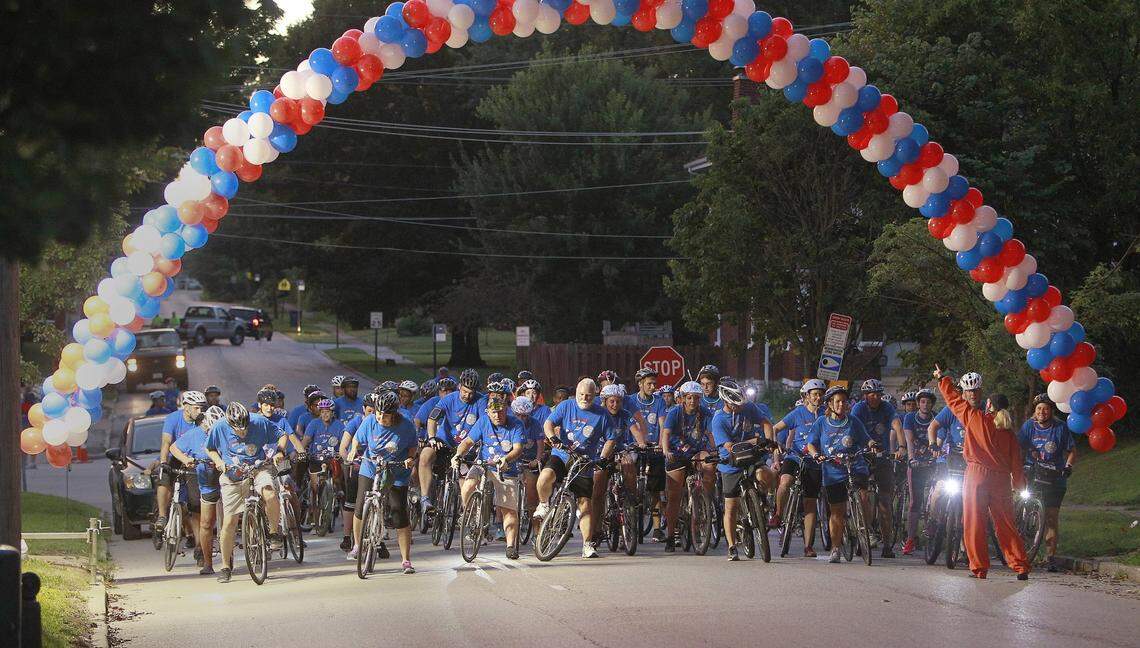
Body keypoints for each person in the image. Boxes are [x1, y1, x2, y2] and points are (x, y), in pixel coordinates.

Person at [932, 366, 1030, 579]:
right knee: (1005, 523)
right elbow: (1017, 464)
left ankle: (979, 567)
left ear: (989, 406)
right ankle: (1020, 564)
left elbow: (953, 400)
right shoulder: (1010, 434)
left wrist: (943, 379)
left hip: (977, 476)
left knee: (974, 522)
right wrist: (1019, 487)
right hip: (1002, 480)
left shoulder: (975, 418)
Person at [206, 402, 306, 583]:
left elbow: (282, 435)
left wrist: (280, 451)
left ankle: (274, 532)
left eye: (245, 428)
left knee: (269, 492)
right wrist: (219, 462)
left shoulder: (259, 421)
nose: (242, 432)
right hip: (233, 473)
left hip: (258, 467)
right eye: (238, 430)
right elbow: (210, 448)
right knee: (229, 521)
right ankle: (225, 566)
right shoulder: (219, 426)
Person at [536, 378, 618, 559]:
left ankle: (587, 545)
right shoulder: (566, 406)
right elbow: (548, 424)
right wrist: (554, 439)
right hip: (562, 455)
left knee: (585, 504)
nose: (585, 398)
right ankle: (543, 504)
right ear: (576, 394)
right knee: (545, 476)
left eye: (589, 395)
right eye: (581, 394)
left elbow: (611, 438)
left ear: (595, 395)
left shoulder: (603, 415)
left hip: (584, 461)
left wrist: (603, 458)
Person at [345, 391, 418, 574]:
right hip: (371, 467)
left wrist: (410, 458)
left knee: (398, 512)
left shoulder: (406, 426)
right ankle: (358, 544)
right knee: (360, 506)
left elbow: (413, 446)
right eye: (378, 413)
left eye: (385, 415)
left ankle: (406, 560)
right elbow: (357, 439)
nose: (381, 417)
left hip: (396, 470)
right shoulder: (370, 421)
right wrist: (354, 450)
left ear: (394, 414)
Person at [805, 385, 875, 564]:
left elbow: (866, 439)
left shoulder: (853, 421)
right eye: (837, 401)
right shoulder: (821, 422)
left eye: (844, 401)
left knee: (864, 497)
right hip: (832, 471)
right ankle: (836, 548)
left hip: (855, 466)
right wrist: (815, 454)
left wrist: (872, 444)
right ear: (829, 403)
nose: (841, 404)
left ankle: (866, 531)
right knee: (837, 512)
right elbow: (811, 444)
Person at [712, 378, 777, 561]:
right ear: (727, 402)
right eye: (736, 405)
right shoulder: (718, 420)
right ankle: (732, 547)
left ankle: (763, 500)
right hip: (730, 462)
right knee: (730, 506)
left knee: (766, 473)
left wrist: (769, 441)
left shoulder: (748, 407)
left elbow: (765, 422)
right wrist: (756, 441)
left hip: (751, 457)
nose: (740, 407)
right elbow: (730, 446)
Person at [452, 400, 526, 558]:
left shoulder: (516, 424)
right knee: (467, 485)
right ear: (488, 412)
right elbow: (468, 442)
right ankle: (470, 516)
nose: (498, 415)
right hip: (483, 464)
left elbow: (518, 449)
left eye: (501, 412)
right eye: (494, 412)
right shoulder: (483, 421)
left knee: (508, 510)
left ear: (506, 410)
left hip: (506, 468)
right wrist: (458, 455)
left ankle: (511, 546)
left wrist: (506, 459)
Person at [1018, 393, 1075, 572]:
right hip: (1033, 475)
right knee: (1024, 509)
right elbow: (1018, 447)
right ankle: (1020, 551)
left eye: (1046, 409)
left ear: (1051, 411)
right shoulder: (1029, 426)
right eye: (1039, 409)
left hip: (1054, 477)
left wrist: (1068, 467)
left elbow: (1072, 450)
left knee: (1051, 518)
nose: (1042, 412)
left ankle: (1050, 557)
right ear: (1035, 411)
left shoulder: (1060, 427)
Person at [660, 380, 716, 553]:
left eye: (696, 398)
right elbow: (666, 434)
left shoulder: (705, 413)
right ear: (683, 398)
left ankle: (704, 498)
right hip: (676, 452)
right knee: (674, 496)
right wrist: (666, 450)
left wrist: (715, 450)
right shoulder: (675, 412)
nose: (693, 401)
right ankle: (670, 535)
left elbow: (711, 433)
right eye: (689, 398)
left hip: (697, 451)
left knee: (709, 463)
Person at [772, 378, 826, 557]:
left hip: (815, 461)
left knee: (810, 502)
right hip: (795, 457)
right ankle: (779, 513)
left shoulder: (826, 414)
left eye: (821, 395)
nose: (818, 398)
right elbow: (775, 428)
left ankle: (808, 546)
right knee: (785, 481)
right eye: (815, 395)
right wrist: (775, 446)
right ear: (807, 396)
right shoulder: (797, 413)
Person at [169, 405, 225, 575]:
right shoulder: (194, 434)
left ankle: (227, 560)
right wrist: (186, 459)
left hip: (226, 481)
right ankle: (207, 562)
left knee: (228, 522)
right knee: (205, 522)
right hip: (205, 480)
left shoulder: (225, 432)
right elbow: (173, 448)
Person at [420, 369, 485, 510]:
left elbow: (485, 423)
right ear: (459, 387)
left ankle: (465, 513)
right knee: (425, 455)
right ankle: (425, 499)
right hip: (445, 442)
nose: (467, 396)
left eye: (471, 393)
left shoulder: (481, 401)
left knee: (465, 480)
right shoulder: (448, 399)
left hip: (467, 447)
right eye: (464, 391)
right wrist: (432, 438)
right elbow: (432, 418)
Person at [850, 379, 902, 557]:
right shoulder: (858, 409)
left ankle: (887, 545)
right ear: (865, 396)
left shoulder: (887, 408)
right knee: (863, 497)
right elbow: (854, 428)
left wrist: (901, 447)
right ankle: (864, 533)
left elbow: (896, 424)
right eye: (871, 394)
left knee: (885, 502)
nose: (875, 397)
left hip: (882, 457)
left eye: (878, 394)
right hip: (862, 456)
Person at [625, 368, 669, 542]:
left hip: (653, 448)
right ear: (640, 384)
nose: (652, 387)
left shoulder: (659, 402)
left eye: (654, 384)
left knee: (655, 490)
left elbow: (662, 423)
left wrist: (660, 444)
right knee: (629, 488)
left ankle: (657, 529)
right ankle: (628, 524)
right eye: (649, 383)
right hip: (633, 447)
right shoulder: (629, 401)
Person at [155, 391, 206, 534]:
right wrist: (163, 461)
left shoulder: (202, 421)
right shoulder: (173, 418)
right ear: (186, 407)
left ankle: (194, 537)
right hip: (175, 458)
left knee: (192, 501)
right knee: (164, 479)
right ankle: (162, 516)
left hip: (194, 462)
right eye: (196, 408)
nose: (200, 411)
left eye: (201, 407)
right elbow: (166, 442)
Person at [901, 388, 938, 555]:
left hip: (932, 463)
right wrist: (911, 458)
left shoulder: (936, 418)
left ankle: (933, 530)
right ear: (918, 404)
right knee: (915, 502)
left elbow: (939, 439)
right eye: (922, 401)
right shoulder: (910, 418)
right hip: (916, 463)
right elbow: (909, 440)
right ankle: (910, 539)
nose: (925, 404)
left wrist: (935, 458)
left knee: (937, 497)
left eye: (928, 402)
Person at [510, 396, 545, 530]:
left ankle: (536, 530)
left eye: (525, 416)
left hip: (529, 461)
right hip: (513, 460)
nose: (522, 419)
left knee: (531, 495)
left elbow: (540, 444)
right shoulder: (509, 422)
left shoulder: (535, 423)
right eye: (518, 415)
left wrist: (537, 460)